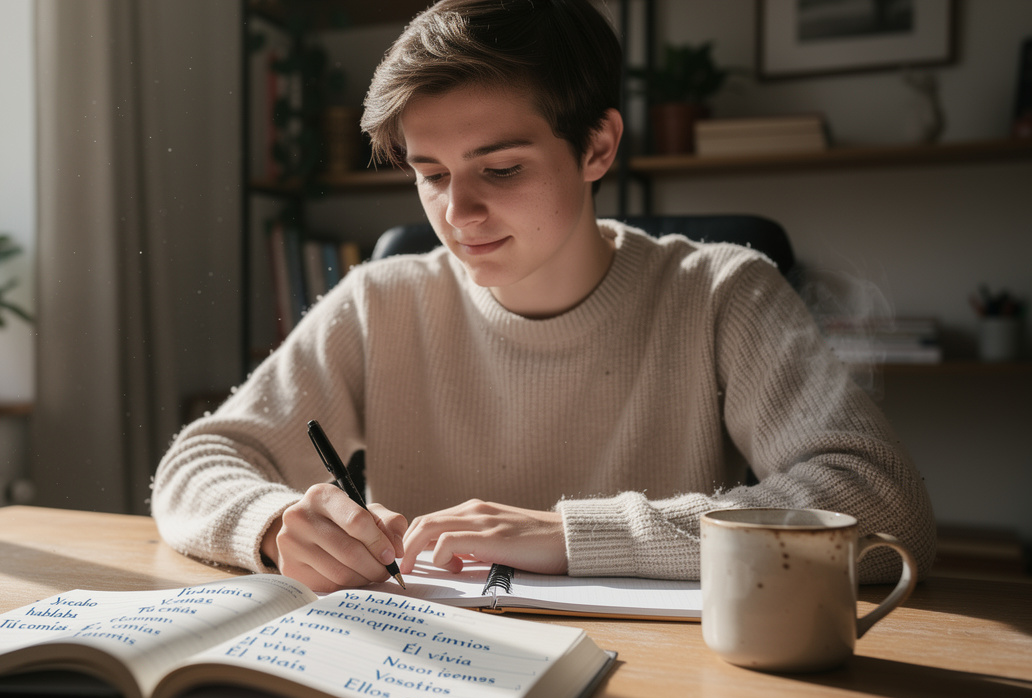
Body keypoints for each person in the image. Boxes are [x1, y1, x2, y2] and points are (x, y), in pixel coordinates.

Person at [152, 0, 935, 591]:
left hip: (670, 693)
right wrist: (272, 524)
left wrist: (574, 535)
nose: (456, 215)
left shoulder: (722, 292)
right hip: (430, 680)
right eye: (430, 175)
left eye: (500, 170)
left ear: (597, 146)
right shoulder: (382, 301)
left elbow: (879, 501)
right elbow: (201, 459)